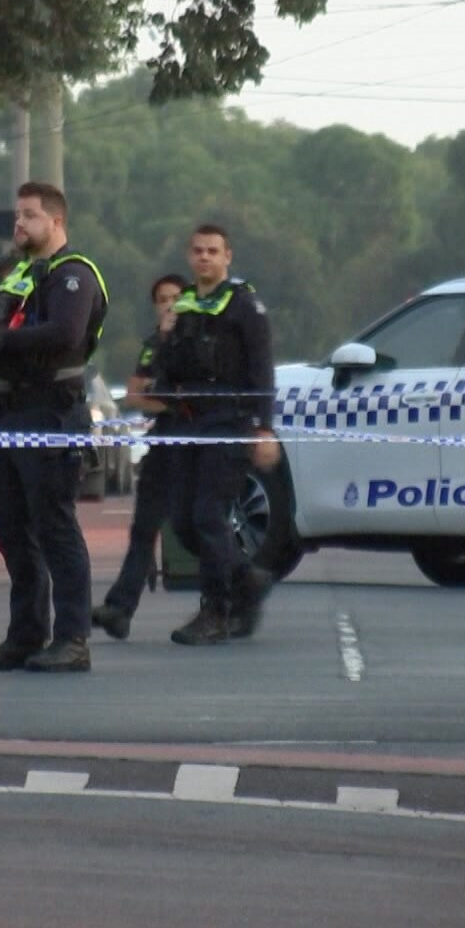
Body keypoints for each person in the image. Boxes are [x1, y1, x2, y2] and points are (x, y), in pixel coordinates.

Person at [0, 182, 109, 673]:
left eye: (29, 215)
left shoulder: (74, 275)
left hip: (51, 413)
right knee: (9, 528)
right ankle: (26, 635)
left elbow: (64, 335)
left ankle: (73, 639)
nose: (19, 224)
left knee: (55, 526)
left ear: (56, 221)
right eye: (17, 216)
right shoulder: (20, 275)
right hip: (9, 414)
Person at [152, 224, 279, 646]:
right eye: (198, 251)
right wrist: (166, 336)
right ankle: (247, 579)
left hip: (229, 422)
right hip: (189, 424)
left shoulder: (244, 305)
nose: (204, 257)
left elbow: (262, 369)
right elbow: (164, 373)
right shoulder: (184, 305)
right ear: (190, 257)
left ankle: (216, 610)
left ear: (228, 256)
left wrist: (264, 428)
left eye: (212, 251)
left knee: (209, 515)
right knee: (183, 522)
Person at [91, 274, 187, 640]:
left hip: (197, 440)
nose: (169, 305)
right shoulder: (153, 344)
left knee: (199, 526)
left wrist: (170, 397)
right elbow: (135, 396)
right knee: (144, 525)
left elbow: (193, 394)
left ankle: (237, 590)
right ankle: (120, 608)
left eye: (176, 298)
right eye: (162, 299)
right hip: (164, 438)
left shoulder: (197, 338)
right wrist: (171, 401)